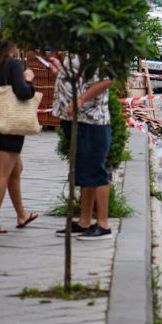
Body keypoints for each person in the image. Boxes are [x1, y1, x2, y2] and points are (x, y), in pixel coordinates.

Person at [50, 54, 113, 240]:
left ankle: (103, 224)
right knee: (86, 172)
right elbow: (79, 78)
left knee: (96, 170)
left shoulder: (97, 48)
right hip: (77, 118)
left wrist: (81, 99)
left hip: (92, 119)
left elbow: (107, 79)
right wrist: (61, 72)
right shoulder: (78, 47)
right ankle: (84, 221)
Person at [0, 31, 39, 233]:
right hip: (10, 124)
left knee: (16, 169)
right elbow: (22, 92)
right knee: (2, 175)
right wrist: (28, 80)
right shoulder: (13, 64)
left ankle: (21, 214)